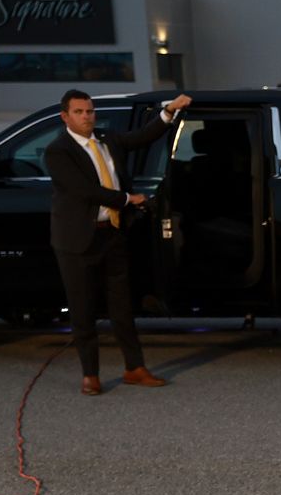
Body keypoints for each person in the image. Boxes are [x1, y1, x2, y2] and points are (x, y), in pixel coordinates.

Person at [47, 89, 192, 395]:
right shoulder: (58, 151)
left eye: (89, 111)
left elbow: (141, 137)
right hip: (77, 240)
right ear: (65, 117)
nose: (86, 117)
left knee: (122, 306)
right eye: (79, 112)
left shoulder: (106, 139)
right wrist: (128, 198)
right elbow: (84, 190)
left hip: (112, 233)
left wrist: (170, 111)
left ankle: (134, 368)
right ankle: (91, 375)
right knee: (83, 308)